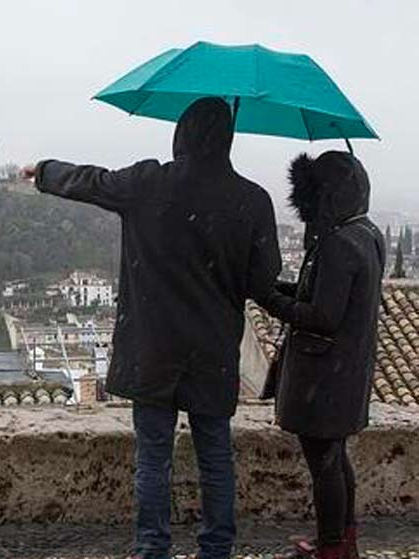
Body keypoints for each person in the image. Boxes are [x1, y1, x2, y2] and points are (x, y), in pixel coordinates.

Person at [22, 97, 281, 559]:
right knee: (216, 455)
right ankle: (217, 548)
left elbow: (90, 180)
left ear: (181, 135)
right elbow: (263, 282)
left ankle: (151, 548)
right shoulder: (253, 200)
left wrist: (43, 170)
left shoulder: (149, 183)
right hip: (213, 349)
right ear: (226, 139)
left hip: (153, 347)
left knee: (153, 458)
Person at [260, 152, 384, 559]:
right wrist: (277, 288)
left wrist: (269, 299)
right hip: (348, 371)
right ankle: (343, 541)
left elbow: (322, 316)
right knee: (336, 458)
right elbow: (323, 295)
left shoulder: (338, 244)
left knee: (324, 464)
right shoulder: (366, 235)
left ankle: (330, 548)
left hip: (324, 376)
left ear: (324, 195)